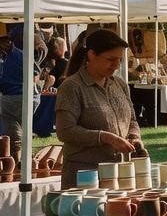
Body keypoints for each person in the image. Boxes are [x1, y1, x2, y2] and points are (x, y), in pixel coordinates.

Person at [54, 29, 143, 188]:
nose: (116, 65)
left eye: (120, 60)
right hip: (83, 175)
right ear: (91, 54)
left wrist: (134, 137)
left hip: (118, 173)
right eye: (111, 59)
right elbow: (65, 131)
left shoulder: (120, 85)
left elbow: (132, 120)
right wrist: (105, 137)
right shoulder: (72, 87)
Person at [0, 32, 40, 148]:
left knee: (14, 131)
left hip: (12, 98)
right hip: (32, 97)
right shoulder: (21, 54)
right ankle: (25, 150)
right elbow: (36, 74)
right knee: (23, 127)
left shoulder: (5, 58)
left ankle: (18, 152)